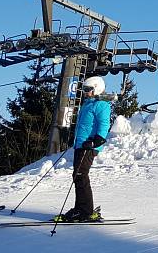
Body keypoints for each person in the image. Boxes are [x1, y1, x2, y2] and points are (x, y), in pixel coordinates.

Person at [55, 76, 111, 222]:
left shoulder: (102, 105)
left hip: (89, 146)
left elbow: (104, 124)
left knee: (81, 175)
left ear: (97, 89)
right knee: (78, 176)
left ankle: (85, 211)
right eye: (84, 90)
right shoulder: (87, 104)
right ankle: (81, 208)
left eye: (88, 90)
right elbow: (83, 126)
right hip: (80, 145)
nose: (85, 92)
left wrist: (96, 140)